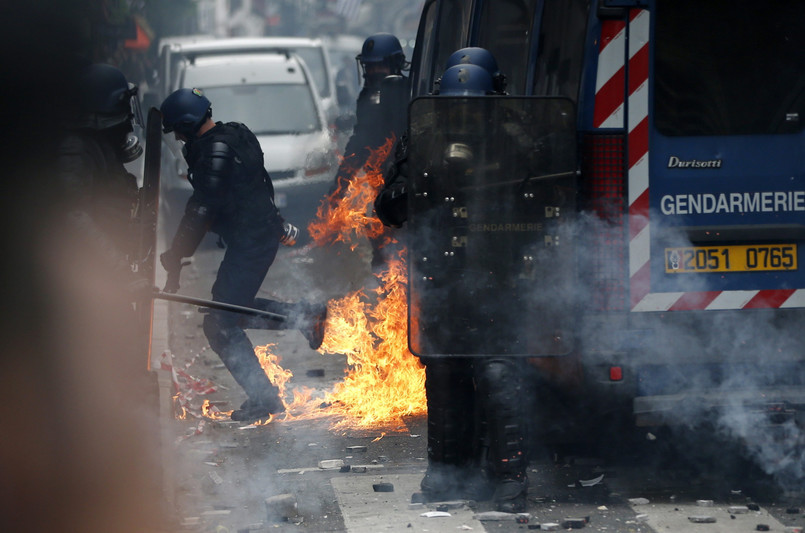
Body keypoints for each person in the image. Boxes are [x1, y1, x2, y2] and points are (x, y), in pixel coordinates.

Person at [374, 51, 531, 513]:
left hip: (500, 274)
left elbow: (546, 198)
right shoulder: (420, 139)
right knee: (443, 371)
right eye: (455, 107)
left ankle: (509, 479)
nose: (463, 117)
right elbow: (388, 206)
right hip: (442, 275)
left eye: (472, 107)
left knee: (498, 372)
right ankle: (448, 475)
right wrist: (412, 188)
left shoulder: (515, 141)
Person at [158, 87, 328, 423]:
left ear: (189, 124)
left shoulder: (215, 152)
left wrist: (177, 252)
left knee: (220, 323)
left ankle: (265, 398)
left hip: (253, 241)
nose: (178, 138)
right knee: (230, 309)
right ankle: (304, 317)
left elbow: (201, 208)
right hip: (255, 236)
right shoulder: (234, 134)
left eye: (178, 130)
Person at [329, 32, 410, 268]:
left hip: (403, 183)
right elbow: (360, 141)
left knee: (405, 247)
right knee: (381, 248)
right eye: (370, 67)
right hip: (380, 186)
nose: (374, 73)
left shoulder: (406, 92)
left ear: (394, 64)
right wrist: (339, 184)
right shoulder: (366, 95)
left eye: (380, 67)